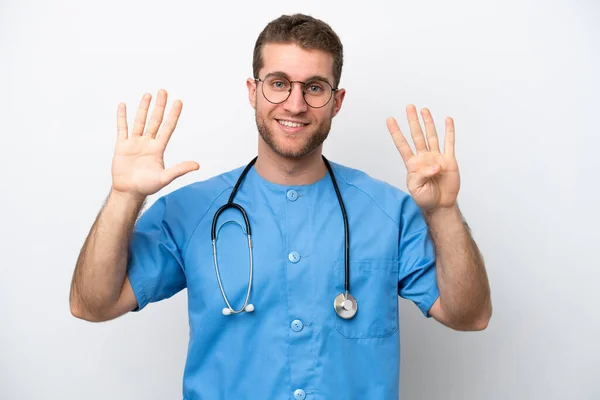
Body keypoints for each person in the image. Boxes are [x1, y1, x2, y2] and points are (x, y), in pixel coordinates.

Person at [69, 13, 492, 400]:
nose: (294, 104)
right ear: (253, 91)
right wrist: (126, 196)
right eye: (278, 83)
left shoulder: (388, 212)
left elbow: (469, 316)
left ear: (337, 101)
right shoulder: (192, 212)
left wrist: (443, 211)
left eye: (314, 87)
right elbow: (93, 304)